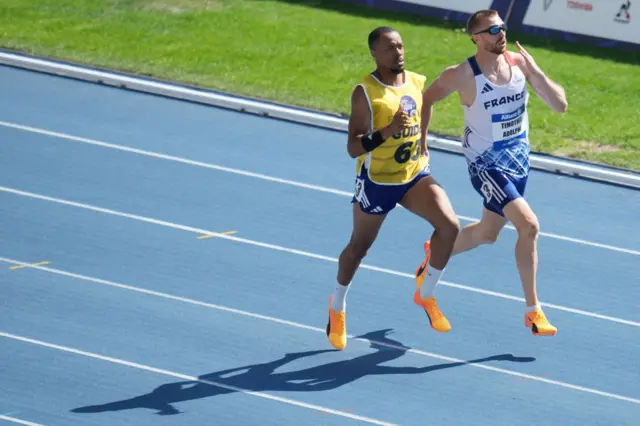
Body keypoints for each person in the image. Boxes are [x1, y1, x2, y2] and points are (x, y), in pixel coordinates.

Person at [420, 10, 568, 336]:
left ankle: (436, 252)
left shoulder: (517, 63)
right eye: (491, 30)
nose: (500, 34)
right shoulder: (462, 74)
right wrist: (422, 142)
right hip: (486, 165)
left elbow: (560, 106)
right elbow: (426, 99)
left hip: (518, 162)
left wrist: (535, 71)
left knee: (487, 234)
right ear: (475, 37)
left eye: (502, 27)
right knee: (528, 226)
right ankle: (533, 311)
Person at [326, 27, 461, 350]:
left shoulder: (416, 80)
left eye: (400, 46)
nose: (398, 52)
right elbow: (353, 148)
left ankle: (425, 293)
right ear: (374, 53)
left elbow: (423, 110)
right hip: (378, 182)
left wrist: (423, 143)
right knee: (359, 248)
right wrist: (387, 131)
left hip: (412, 175)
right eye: (389, 48)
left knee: (450, 227)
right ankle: (337, 306)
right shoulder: (366, 92)